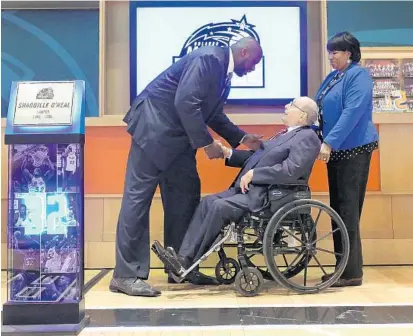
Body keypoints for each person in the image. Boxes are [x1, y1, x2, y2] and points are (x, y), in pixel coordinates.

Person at [110, 37, 264, 297]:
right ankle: (126, 275)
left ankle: (181, 266)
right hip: (154, 130)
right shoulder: (209, 58)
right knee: (137, 201)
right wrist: (206, 144)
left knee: (186, 194)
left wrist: (241, 138)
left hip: (178, 138)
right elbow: (185, 102)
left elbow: (212, 114)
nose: (253, 68)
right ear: (245, 51)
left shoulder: (222, 72)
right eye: (254, 62)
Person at [152, 97, 321, 285]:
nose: (287, 106)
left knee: (219, 206)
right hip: (251, 190)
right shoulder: (284, 135)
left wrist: (256, 174)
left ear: (302, 116)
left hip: (270, 196)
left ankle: (186, 262)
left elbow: (291, 171)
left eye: (292, 105)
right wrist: (228, 153)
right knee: (208, 201)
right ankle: (183, 259)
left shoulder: (308, 138)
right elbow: (256, 158)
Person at [315, 32, 379, 287]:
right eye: (329, 51)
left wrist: (329, 141)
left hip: (354, 149)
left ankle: (352, 272)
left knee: (349, 210)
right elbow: (318, 106)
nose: (331, 56)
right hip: (336, 150)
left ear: (349, 53)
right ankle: (342, 267)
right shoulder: (333, 77)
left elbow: (352, 112)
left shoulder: (358, 76)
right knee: (338, 209)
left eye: (336, 52)